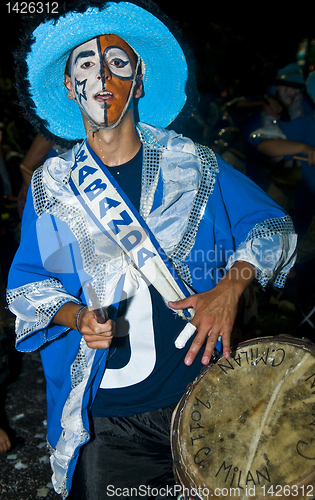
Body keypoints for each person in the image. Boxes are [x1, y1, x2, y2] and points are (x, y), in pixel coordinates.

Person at [6, 1, 297, 498]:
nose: (102, 77)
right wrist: (75, 316)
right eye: (86, 66)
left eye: (117, 63)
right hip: (109, 424)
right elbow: (35, 284)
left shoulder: (194, 165)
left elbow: (272, 226)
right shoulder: (54, 187)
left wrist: (231, 285)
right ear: (71, 87)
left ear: (138, 81)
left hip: (207, 403)